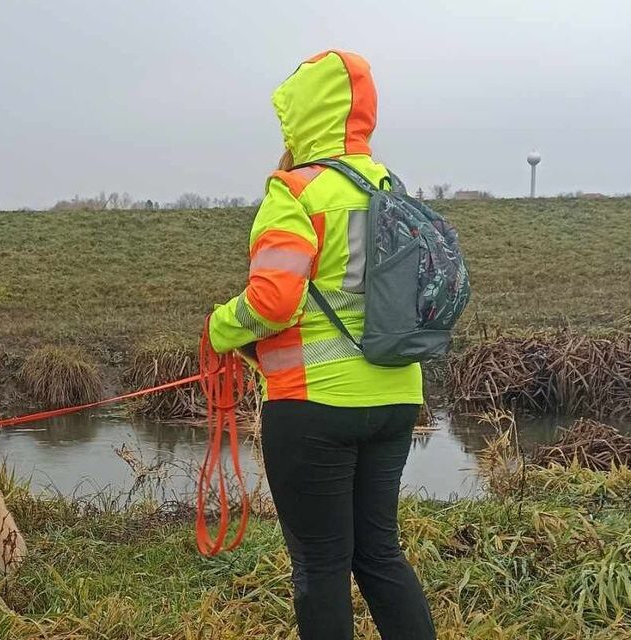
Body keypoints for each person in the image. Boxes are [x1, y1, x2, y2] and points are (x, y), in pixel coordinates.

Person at [207, 50, 437, 640]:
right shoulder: (393, 189)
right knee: (380, 555)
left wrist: (219, 328)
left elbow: (272, 300)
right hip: (396, 398)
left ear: (302, 118)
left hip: (313, 409)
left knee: (321, 565)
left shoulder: (296, 193)